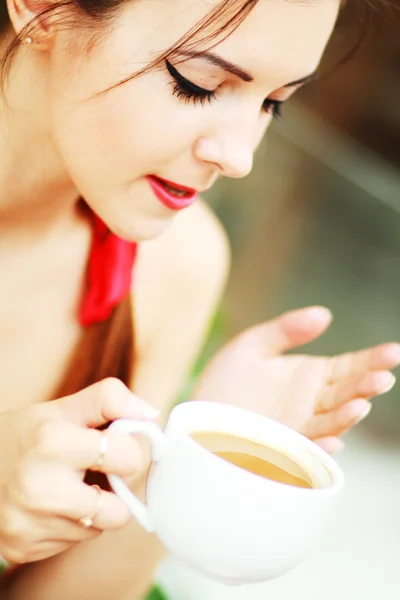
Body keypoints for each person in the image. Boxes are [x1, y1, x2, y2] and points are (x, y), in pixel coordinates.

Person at [0, 0, 398, 597]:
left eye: (274, 105)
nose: (240, 158)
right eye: (197, 84)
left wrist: (196, 462)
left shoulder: (176, 264)